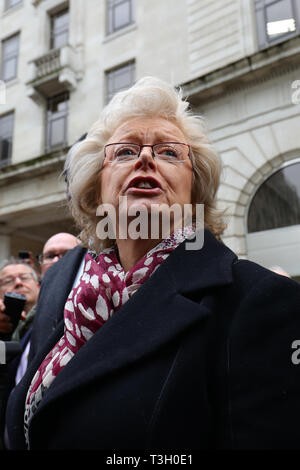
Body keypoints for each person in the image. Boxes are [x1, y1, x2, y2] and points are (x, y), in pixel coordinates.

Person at [4, 77, 300, 450]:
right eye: (125, 151)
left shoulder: (258, 300)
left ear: (196, 191)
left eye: (170, 152)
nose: (145, 157)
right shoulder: (78, 305)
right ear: (96, 192)